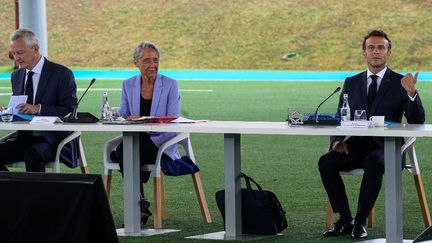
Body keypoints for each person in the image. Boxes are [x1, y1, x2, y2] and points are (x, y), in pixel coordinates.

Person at [318, 29, 425, 239]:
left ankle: (360, 222)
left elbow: (417, 122)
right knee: (326, 162)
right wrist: (337, 141)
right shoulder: (351, 82)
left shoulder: (401, 82)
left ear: (389, 52)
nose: (376, 52)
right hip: (356, 146)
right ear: (364, 53)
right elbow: (340, 116)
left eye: (381, 48)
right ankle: (346, 219)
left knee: (374, 162)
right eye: (371, 48)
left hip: (388, 148)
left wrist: (412, 94)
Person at [110, 41, 181, 224]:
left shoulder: (170, 85)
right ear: (136, 63)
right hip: (138, 140)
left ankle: (138, 208)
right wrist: (118, 113)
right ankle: (140, 206)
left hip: (162, 141)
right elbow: (125, 114)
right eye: (147, 61)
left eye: (156, 60)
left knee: (122, 153)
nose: (153, 65)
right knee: (128, 150)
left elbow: (173, 118)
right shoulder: (128, 84)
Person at [0, 28, 78, 172]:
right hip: (24, 137)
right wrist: (7, 111)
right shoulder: (16, 76)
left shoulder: (61, 73)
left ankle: (37, 195)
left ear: (35, 48)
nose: (16, 58)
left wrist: (39, 108)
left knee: (33, 154)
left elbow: (70, 110)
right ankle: (10, 191)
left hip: (52, 138)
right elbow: (21, 108)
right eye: (14, 53)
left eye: (20, 52)